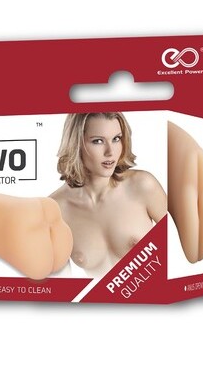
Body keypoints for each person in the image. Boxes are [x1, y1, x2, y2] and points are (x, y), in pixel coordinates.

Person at [50, 112, 167, 277]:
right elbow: (61, 281)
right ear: (75, 144)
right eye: (98, 141)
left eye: (116, 139)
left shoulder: (142, 186)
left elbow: (177, 249)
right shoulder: (55, 209)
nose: (110, 152)